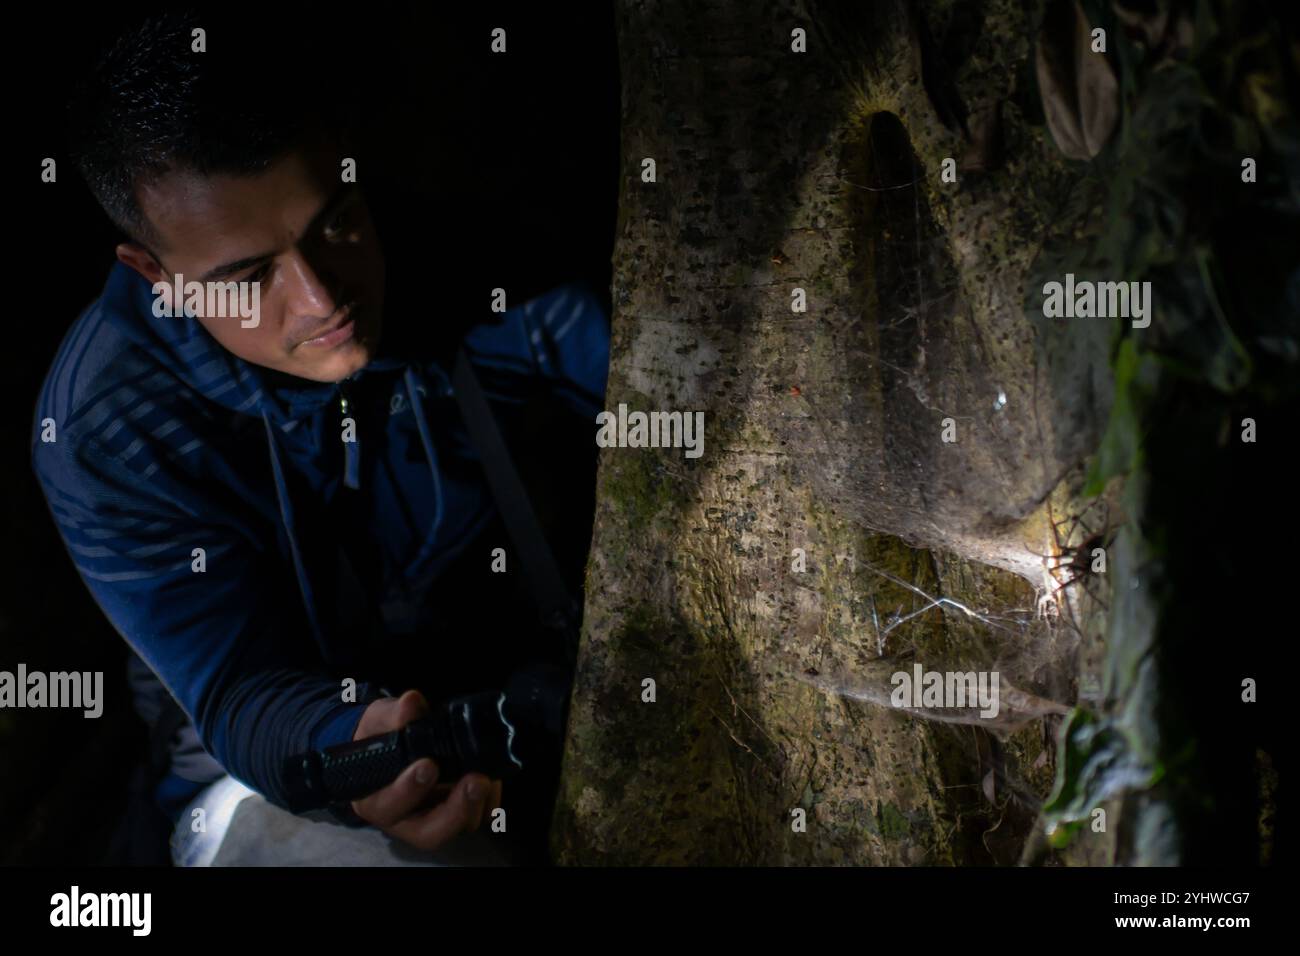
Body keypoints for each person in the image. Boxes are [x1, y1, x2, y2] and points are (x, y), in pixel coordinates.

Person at [31, 9, 609, 865]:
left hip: (506, 707)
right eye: (249, 276)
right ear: (157, 276)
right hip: (261, 778)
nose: (321, 300)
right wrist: (356, 750)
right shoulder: (104, 429)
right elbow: (238, 689)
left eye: (333, 223)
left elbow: (655, 376)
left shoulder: (463, 264)